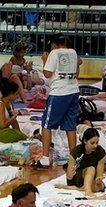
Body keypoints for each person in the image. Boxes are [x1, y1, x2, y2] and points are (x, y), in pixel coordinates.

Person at [41, 35, 80, 168]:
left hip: (59, 92)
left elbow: (47, 74)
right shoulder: (74, 52)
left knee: (47, 124)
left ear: (54, 44)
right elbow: (77, 72)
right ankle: (73, 157)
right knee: (70, 125)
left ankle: (45, 157)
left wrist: (45, 60)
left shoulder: (54, 53)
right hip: (74, 91)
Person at [63, 128, 106, 195]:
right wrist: (70, 174)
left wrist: (98, 179)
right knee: (91, 168)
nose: (95, 145)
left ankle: (79, 188)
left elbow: (99, 174)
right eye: (92, 143)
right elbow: (69, 176)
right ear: (85, 141)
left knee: (101, 186)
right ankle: (87, 191)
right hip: (77, 178)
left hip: (90, 179)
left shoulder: (100, 151)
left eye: (97, 142)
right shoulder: (76, 151)